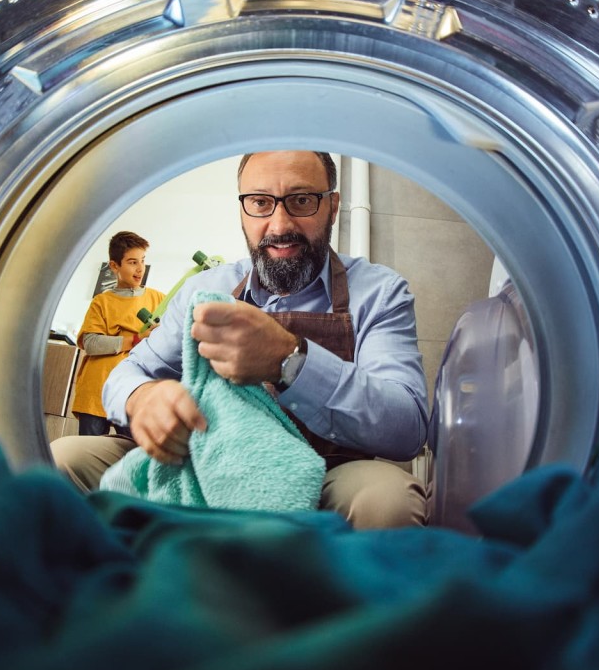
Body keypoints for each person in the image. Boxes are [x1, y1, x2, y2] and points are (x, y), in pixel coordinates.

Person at [51, 150, 430, 528]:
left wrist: (292, 361)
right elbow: (130, 372)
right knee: (64, 458)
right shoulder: (205, 289)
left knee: (387, 500)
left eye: (301, 201)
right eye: (260, 203)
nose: (280, 224)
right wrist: (142, 397)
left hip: (326, 472)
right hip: (203, 461)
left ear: (332, 207)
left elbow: (406, 427)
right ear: (243, 211)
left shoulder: (380, 292)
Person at [66, 230, 164, 436]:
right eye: (132, 262)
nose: (140, 269)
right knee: (88, 458)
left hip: (132, 392)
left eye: (142, 261)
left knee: (130, 457)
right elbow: (91, 343)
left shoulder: (158, 300)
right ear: (114, 266)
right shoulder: (101, 302)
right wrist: (137, 339)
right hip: (96, 392)